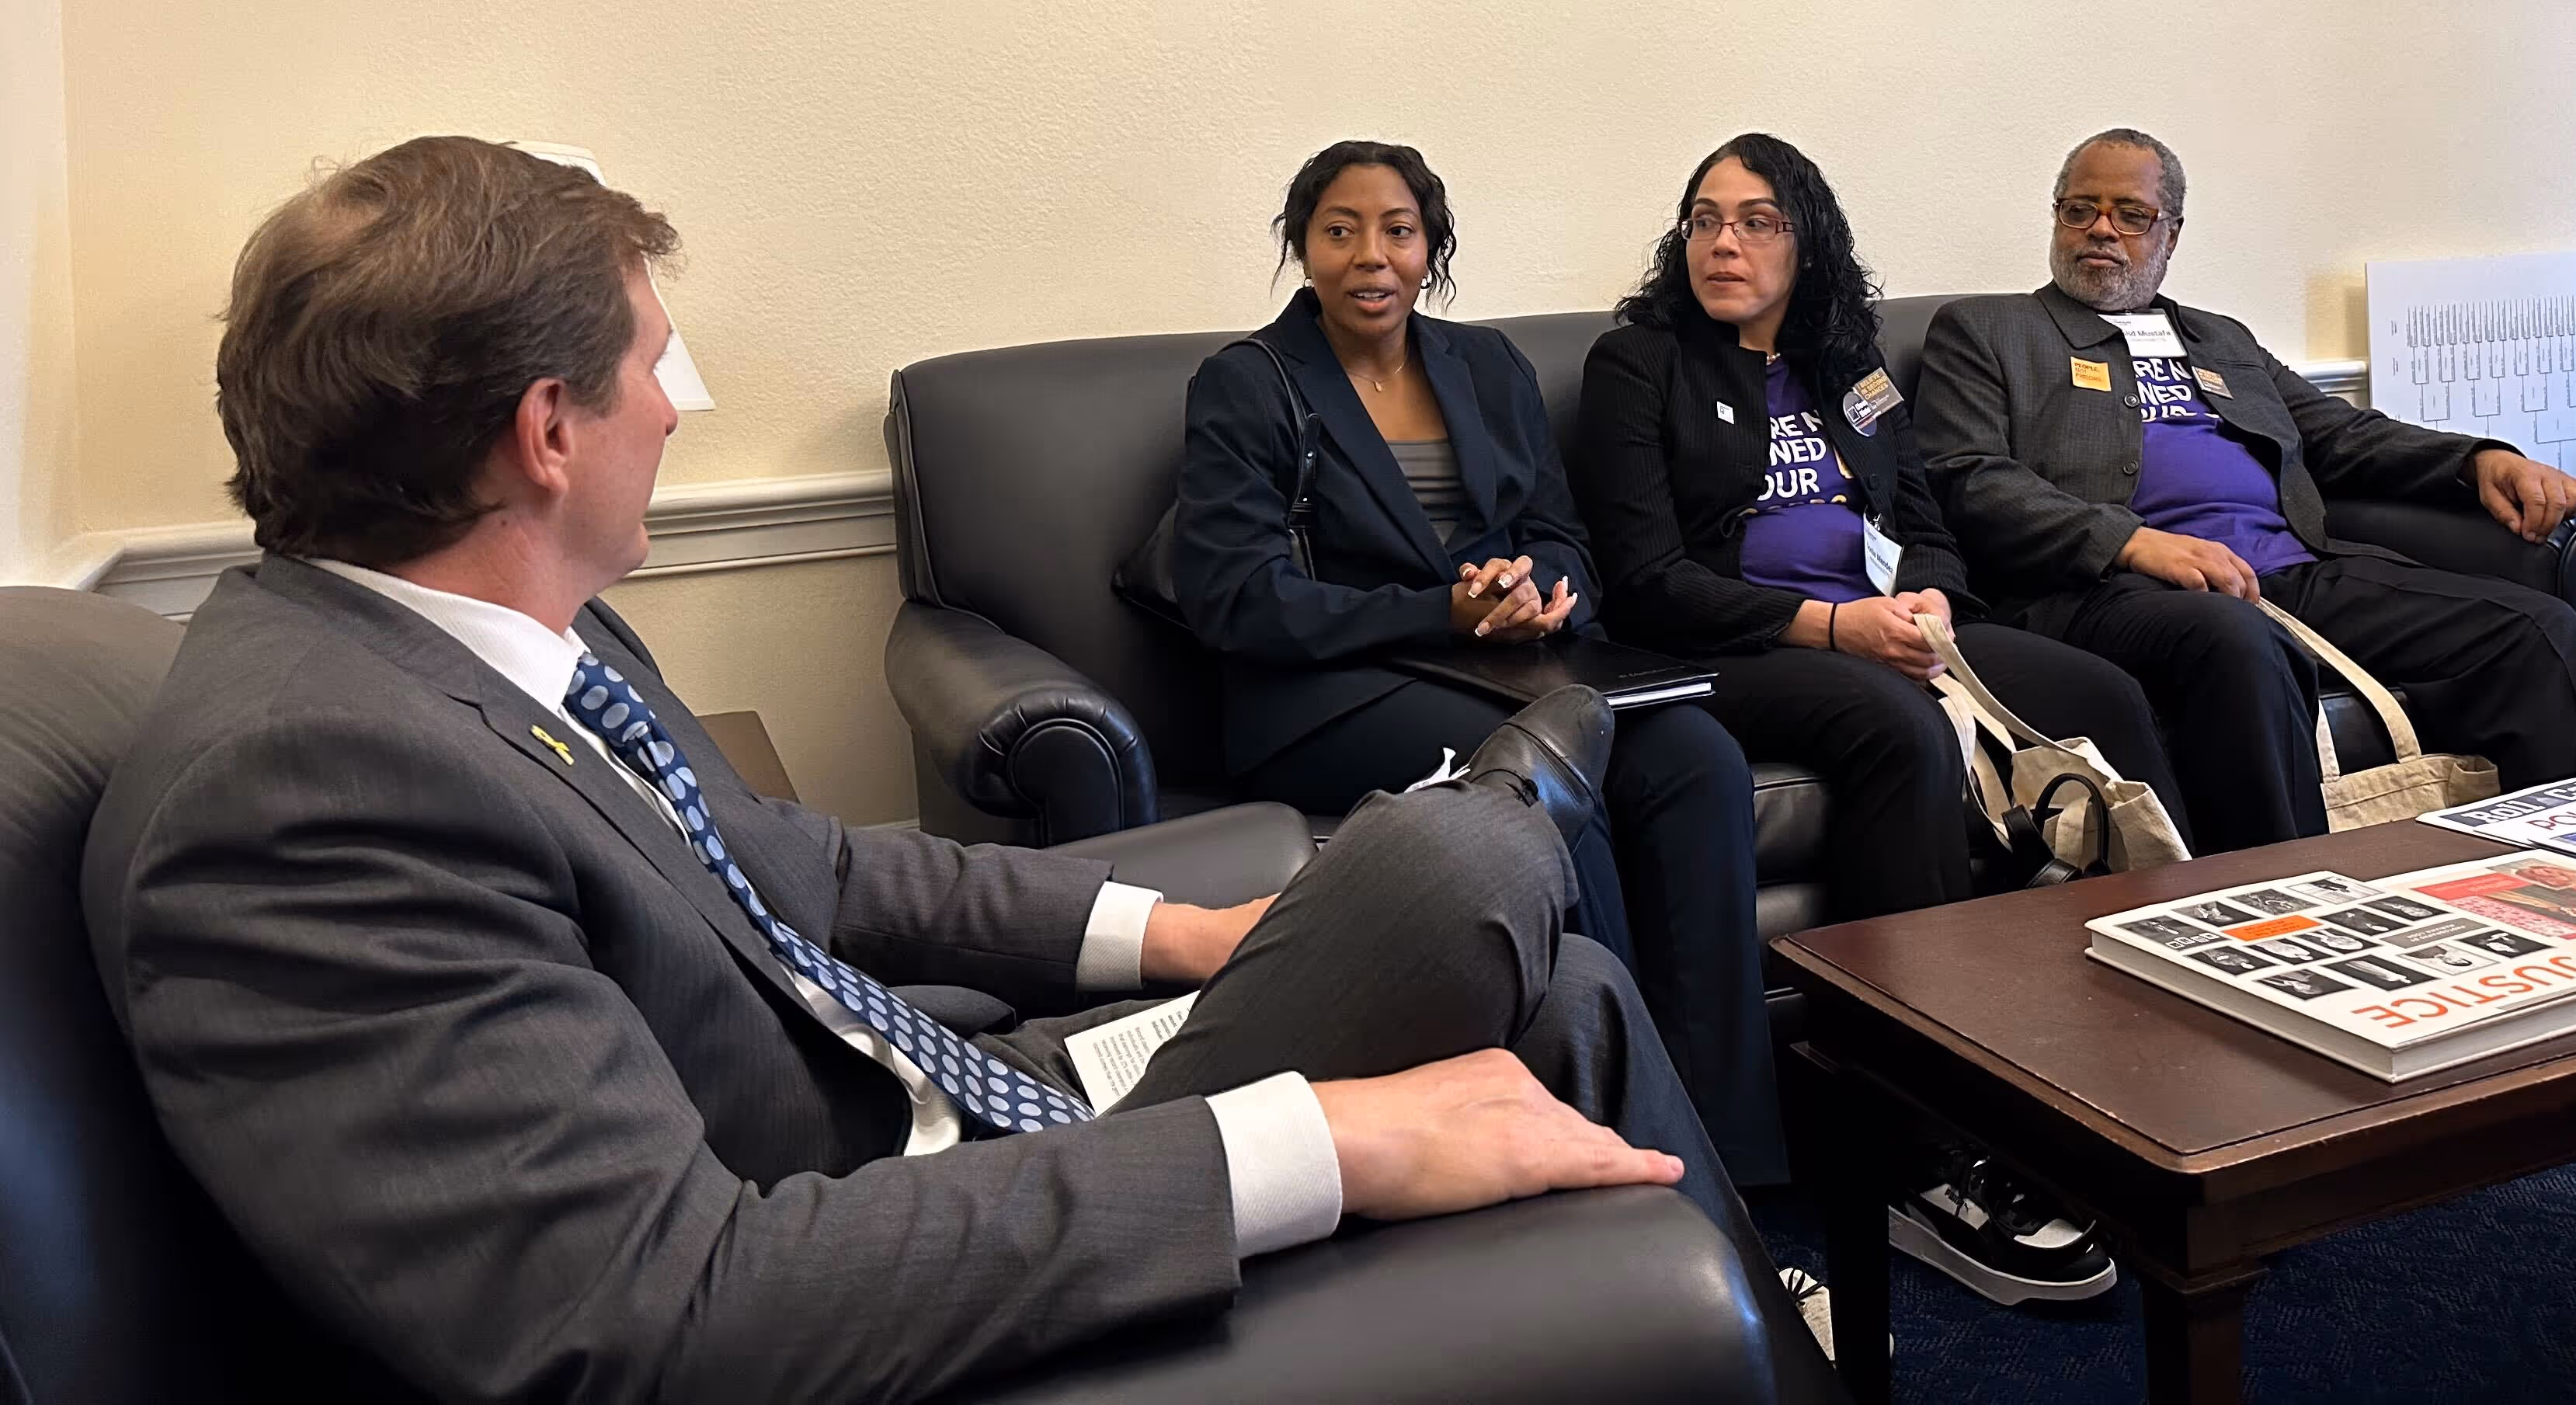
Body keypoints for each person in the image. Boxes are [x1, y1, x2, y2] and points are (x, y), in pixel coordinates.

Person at [82, 137, 1819, 1403]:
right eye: (649, 359)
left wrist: (1183, 934)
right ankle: (1545, 787)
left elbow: (816, 873)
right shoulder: (307, 790)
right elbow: (662, 1314)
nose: (676, 410)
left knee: (1547, 967)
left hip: (947, 1097)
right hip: (875, 1222)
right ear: (547, 432)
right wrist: (1328, 1143)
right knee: (1470, 870)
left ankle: (1762, 1340)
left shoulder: (520, 642)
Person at [1578, 135, 2193, 1306]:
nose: (1723, 242)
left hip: (1889, 626)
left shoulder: (1849, 368)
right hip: (1734, 648)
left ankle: (2142, 1068)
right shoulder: (1639, 363)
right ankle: (1922, 1146)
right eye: (1706, 219)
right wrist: (1831, 628)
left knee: (2101, 695)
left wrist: (1925, 599)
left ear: (1808, 245)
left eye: (1758, 222)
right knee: (1897, 731)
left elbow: (1930, 526)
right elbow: (1648, 577)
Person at [1174, 143, 1782, 1188]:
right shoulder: (1249, 384)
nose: (1371, 255)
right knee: (1547, 789)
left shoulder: (1486, 366)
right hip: (1327, 694)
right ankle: (1616, 1145)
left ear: (1432, 248)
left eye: (1398, 230)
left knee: (1697, 760)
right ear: (1302, 248)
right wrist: (1442, 612)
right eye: (1340, 229)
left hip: (1508, 669)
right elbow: (1236, 596)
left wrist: (1542, 592)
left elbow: (1562, 536)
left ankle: (1734, 1157)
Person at [1917, 128, 2576, 855]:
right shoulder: (1989, 331)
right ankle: (2283, 900)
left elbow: (2341, 435)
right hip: (2112, 590)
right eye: (2080, 210)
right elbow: (1968, 475)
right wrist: (2131, 542)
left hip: (2292, 574)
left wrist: (2479, 461)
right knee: (2237, 640)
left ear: (2171, 235)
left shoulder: (2218, 339)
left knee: (2535, 630)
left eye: (2131, 214)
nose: (2102, 229)